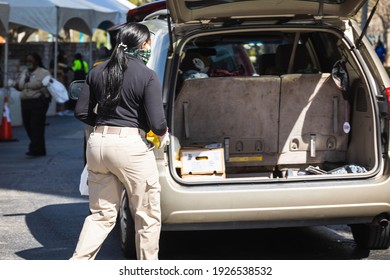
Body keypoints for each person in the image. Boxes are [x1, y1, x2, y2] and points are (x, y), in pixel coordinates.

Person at [70, 22, 169, 260]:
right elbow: (158, 123)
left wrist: (104, 123)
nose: (149, 48)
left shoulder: (96, 71)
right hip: (130, 148)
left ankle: (75, 266)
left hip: (97, 145)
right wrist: (161, 134)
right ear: (143, 44)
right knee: (147, 216)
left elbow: (81, 112)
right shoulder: (147, 75)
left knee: (101, 216)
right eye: (149, 44)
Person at [13, 53, 51, 157]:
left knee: (36, 126)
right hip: (25, 102)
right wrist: (19, 85)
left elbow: (38, 84)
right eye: (27, 61)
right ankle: (37, 147)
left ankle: (36, 149)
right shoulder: (25, 72)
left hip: (38, 102)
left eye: (31, 61)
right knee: (28, 125)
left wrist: (24, 85)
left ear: (37, 61)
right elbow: (19, 85)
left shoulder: (43, 72)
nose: (29, 63)